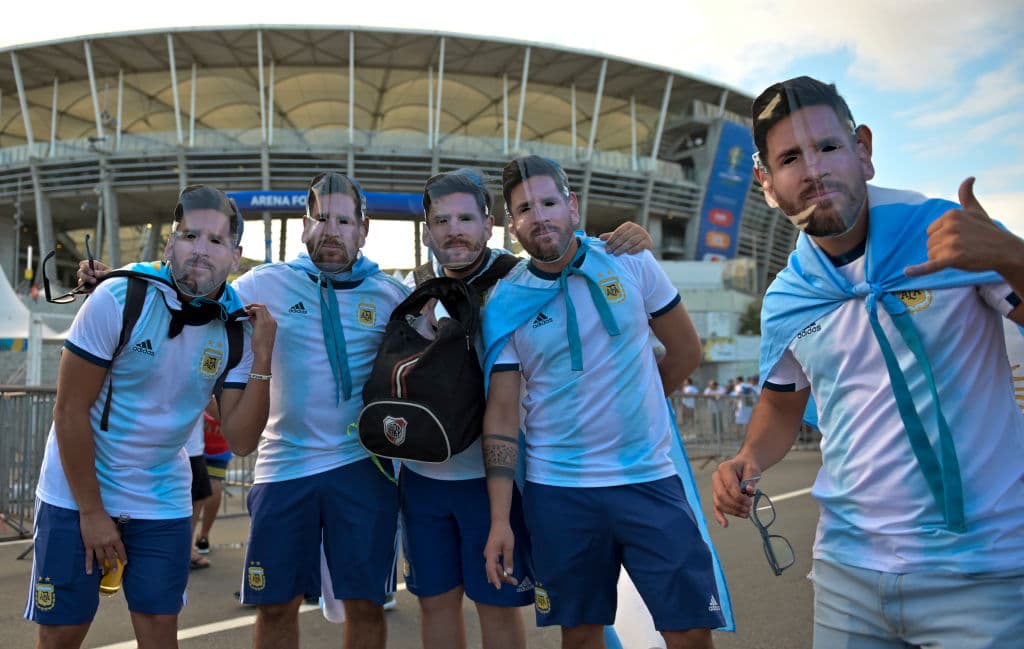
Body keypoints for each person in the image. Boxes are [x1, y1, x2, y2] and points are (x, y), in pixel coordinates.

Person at [712, 76, 1024, 649]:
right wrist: (748, 458)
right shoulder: (789, 295)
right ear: (767, 182)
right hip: (847, 580)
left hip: (984, 574)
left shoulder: (947, 232)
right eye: (789, 158)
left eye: (828, 147)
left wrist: (1013, 258)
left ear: (864, 149)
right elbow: (782, 407)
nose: (813, 170)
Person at [77, 172, 408, 649]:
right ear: (303, 225)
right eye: (321, 218)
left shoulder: (390, 294)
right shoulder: (263, 282)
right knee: (275, 605)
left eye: (344, 220)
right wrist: (118, 276)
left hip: (364, 468)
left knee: (366, 606)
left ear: (364, 229)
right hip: (284, 468)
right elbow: (191, 282)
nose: (331, 230)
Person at [399, 168, 653, 649]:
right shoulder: (411, 288)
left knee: (498, 606)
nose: (454, 229)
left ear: (490, 223)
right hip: (424, 478)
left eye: (466, 218)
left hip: (496, 479)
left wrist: (630, 240)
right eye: (441, 220)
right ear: (427, 230)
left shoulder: (520, 282)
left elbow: (584, 278)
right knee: (435, 605)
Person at [481, 155, 725, 649]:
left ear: (572, 206)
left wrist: (639, 404)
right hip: (559, 491)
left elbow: (685, 351)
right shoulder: (504, 302)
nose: (540, 216)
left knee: (690, 630)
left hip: (649, 478)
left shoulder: (630, 260)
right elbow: (503, 415)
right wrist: (501, 520)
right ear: (512, 225)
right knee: (582, 633)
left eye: (550, 202)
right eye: (525, 208)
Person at [26, 184, 275, 649]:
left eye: (216, 241)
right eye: (189, 235)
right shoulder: (118, 298)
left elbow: (241, 440)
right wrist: (93, 513)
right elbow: (69, 410)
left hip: (160, 496)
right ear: (169, 243)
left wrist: (263, 358)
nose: (200, 250)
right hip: (76, 489)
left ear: (236, 256)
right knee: (61, 635)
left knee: (160, 635)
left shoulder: (238, 330)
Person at [194, 398, 229, 557]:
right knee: (214, 482)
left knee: (193, 490)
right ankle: (204, 536)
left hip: (199, 429)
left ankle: (190, 539)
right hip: (219, 432)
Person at [186, 413, 213, 569]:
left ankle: (186, 548)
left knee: (198, 497)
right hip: (189, 450)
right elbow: (211, 402)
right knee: (194, 501)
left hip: (190, 449)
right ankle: (187, 549)